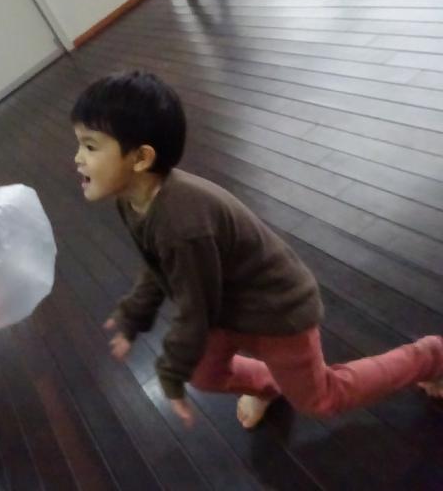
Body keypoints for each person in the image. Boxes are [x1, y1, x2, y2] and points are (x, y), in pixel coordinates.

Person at [70, 71, 443, 429]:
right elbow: (160, 267)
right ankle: (269, 386)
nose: (77, 158)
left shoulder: (183, 224)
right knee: (204, 372)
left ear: (140, 158)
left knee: (320, 399)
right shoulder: (132, 201)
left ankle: (430, 357)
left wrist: (170, 374)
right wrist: (135, 315)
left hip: (276, 312)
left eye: (90, 146)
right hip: (227, 307)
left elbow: (196, 309)